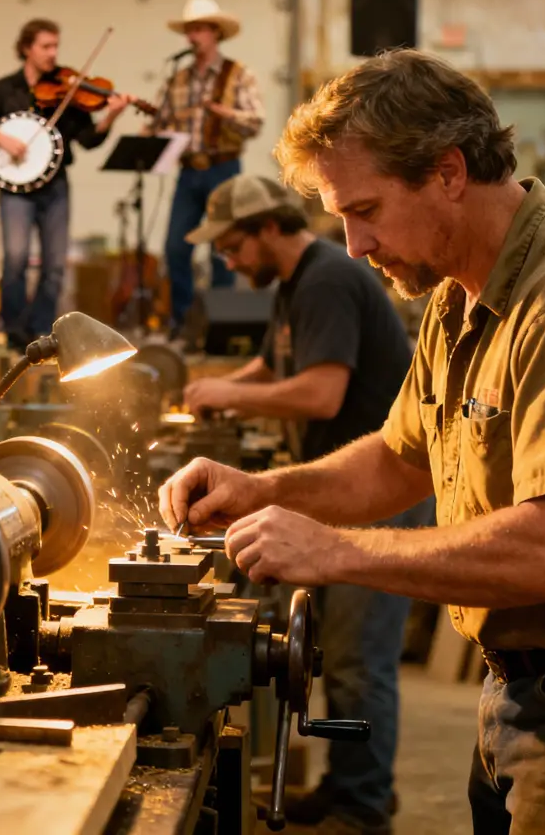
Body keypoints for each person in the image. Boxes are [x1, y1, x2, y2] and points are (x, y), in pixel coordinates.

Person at [160, 49, 545, 835]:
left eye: (367, 210)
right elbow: (399, 459)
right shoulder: (461, 292)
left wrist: (334, 552)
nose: (353, 244)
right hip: (528, 687)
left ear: (448, 172)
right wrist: (262, 490)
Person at [181, 173, 430, 834]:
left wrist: (228, 397)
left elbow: (320, 392)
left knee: (356, 662)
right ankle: (350, 784)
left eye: (233, 247)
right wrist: (206, 390)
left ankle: (364, 807)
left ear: (268, 228)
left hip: (380, 493)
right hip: (341, 493)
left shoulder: (327, 277)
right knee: (329, 658)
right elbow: (273, 367)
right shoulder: (296, 284)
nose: (228, 262)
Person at [0, 18, 130, 347]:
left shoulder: (68, 89)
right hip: (15, 190)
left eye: (56, 46)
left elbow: (88, 140)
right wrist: (0, 138)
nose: (53, 54)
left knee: (54, 264)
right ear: (27, 49)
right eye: (45, 47)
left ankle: (41, 333)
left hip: (56, 184)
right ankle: (13, 333)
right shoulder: (5, 89)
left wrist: (111, 116)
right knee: (15, 260)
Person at [148, 0, 265, 335]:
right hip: (188, 171)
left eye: (199, 29)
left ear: (215, 33)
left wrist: (225, 114)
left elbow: (256, 121)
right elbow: (161, 120)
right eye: (189, 30)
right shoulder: (178, 78)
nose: (192, 36)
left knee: (225, 246)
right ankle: (184, 321)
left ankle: (219, 324)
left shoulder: (238, 74)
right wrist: (153, 129)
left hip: (223, 168)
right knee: (175, 246)